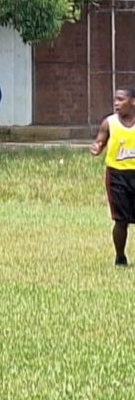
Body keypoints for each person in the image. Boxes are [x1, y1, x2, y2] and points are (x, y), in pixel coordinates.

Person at [91, 87, 135, 267]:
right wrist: (97, 147)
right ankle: (120, 256)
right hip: (117, 176)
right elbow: (100, 141)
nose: (116, 103)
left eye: (121, 99)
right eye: (115, 99)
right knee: (121, 220)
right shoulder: (109, 123)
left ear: (133, 102)